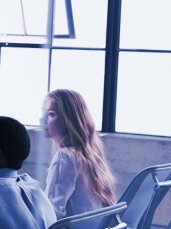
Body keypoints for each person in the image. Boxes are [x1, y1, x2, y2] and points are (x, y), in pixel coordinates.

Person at [43, 89, 116, 226]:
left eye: (51, 114)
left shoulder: (65, 157)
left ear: (69, 120)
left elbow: (52, 213)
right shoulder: (89, 155)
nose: (43, 120)